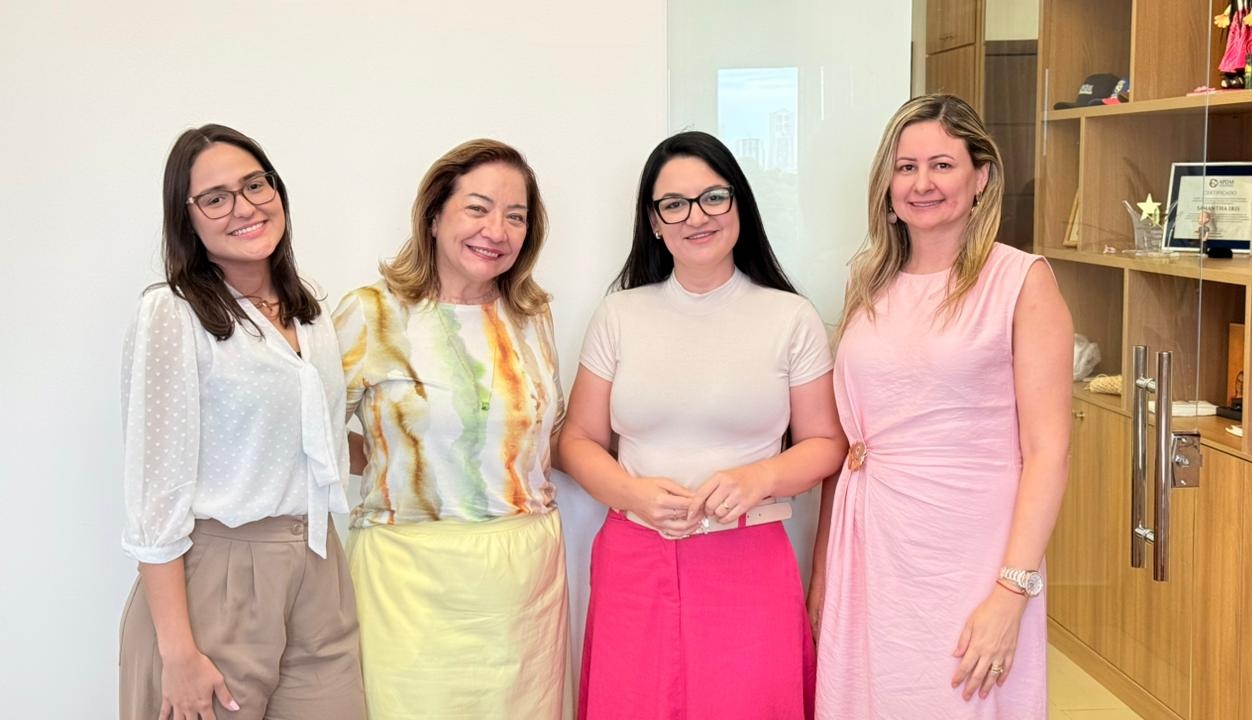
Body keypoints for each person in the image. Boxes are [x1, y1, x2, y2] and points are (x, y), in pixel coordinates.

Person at [560, 130, 847, 719]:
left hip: (748, 559)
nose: (697, 216)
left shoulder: (790, 317)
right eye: (674, 204)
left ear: (739, 203)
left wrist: (759, 477)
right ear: (654, 222)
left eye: (714, 197)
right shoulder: (619, 315)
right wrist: (631, 493)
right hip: (635, 558)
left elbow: (826, 443)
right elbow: (576, 440)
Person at [811, 94, 1072, 718]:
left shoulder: (1021, 281)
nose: (921, 183)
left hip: (968, 556)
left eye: (942, 165)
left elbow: (1048, 452)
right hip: (871, 546)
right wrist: (822, 572)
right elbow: (851, 444)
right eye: (905, 167)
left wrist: (1011, 593)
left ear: (981, 177)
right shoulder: (867, 280)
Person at [119, 124, 365, 719]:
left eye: (255, 185)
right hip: (217, 579)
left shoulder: (309, 312)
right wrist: (178, 652)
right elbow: (155, 493)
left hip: (319, 564)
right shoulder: (172, 313)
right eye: (215, 198)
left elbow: (317, 441)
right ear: (187, 219)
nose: (245, 207)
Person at [334, 139, 570, 719]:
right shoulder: (373, 313)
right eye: (478, 208)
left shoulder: (532, 316)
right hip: (408, 582)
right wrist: (395, 454)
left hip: (523, 586)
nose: (497, 230)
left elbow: (536, 438)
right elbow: (308, 434)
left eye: (516, 216)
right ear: (434, 215)